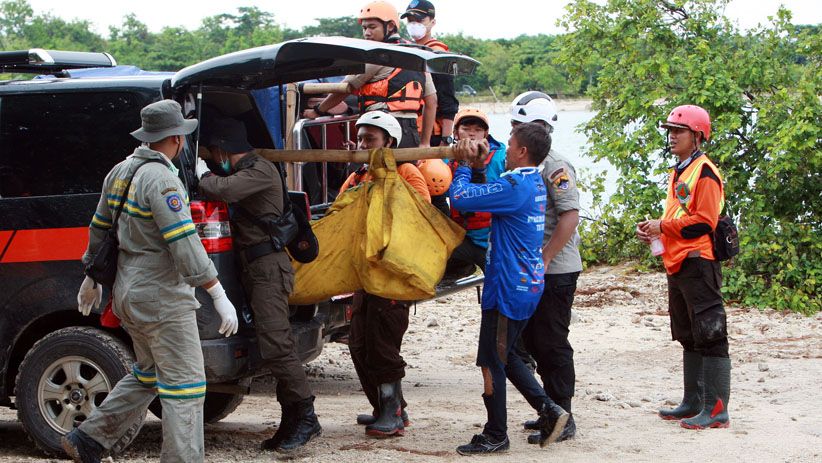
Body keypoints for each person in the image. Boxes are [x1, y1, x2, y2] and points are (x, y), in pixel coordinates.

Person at [65, 100, 239, 463]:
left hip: (129, 295)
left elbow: (99, 228)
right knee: (186, 387)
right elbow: (184, 241)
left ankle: (90, 439)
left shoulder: (120, 172)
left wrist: (91, 278)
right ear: (176, 138)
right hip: (161, 299)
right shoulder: (161, 179)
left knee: (149, 373)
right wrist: (217, 292)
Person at [196, 118, 321, 451]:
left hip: (268, 268)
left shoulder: (260, 171)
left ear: (223, 149)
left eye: (213, 154)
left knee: (278, 346)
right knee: (272, 345)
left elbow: (221, 190)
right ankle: (291, 420)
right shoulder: (249, 169)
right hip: (256, 268)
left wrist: (202, 173)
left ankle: (306, 416)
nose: (212, 160)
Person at [450, 123, 569, 455]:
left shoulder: (514, 185)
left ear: (521, 152)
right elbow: (483, 197)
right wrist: (476, 168)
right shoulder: (530, 182)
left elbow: (460, 199)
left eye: (510, 144)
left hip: (507, 286)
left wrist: (462, 165)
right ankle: (550, 410)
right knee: (508, 353)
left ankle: (496, 432)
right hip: (524, 282)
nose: (503, 150)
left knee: (491, 360)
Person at [636, 104, 731, 430]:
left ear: (697, 136)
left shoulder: (704, 172)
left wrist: (663, 227)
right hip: (677, 262)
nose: (672, 136)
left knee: (711, 334)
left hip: (698, 261)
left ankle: (716, 409)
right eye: (671, 130)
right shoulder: (680, 170)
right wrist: (654, 228)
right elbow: (679, 216)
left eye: (679, 131)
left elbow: (704, 223)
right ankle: (693, 401)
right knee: (689, 335)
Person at [340, 111, 430, 438]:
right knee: (359, 344)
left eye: (370, 139)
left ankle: (392, 413)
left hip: (394, 276)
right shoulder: (358, 176)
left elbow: (419, 214)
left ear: (389, 142)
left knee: (382, 345)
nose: (363, 144)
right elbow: (341, 212)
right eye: (361, 138)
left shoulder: (408, 172)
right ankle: (387, 408)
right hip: (365, 275)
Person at [510, 91, 582, 443]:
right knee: (533, 341)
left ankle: (563, 414)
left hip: (556, 269)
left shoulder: (555, 166)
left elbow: (569, 216)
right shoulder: (531, 165)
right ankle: (549, 410)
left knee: (551, 342)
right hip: (537, 267)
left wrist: (547, 256)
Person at [303, 0, 438, 148]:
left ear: (390, 26)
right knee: (406, 171)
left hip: (383, 131)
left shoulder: (379, 54)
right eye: (364, 28)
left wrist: (317, 111)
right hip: (411, 135)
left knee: (364, 171)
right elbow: (432, 101)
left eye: (372, 27)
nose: (367, 33)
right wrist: (425, 142)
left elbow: (343, 89)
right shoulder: (416, 54)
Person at [439, 108, 506, 278]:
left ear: (486, 134)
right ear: (455, 133)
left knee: (497, 285)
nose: (472, 135)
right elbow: (440, 193)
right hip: (461, 235)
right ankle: (461, 268)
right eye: (466, 129)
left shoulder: (501, 157)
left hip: (492, 237)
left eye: (478, 130)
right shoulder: (446, 159)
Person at [401, 0, 459, 147]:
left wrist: (445, 140)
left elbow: (448, 101)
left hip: (432, 135)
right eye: (410, 20)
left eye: (419, 20)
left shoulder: (438, 55)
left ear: (432, 22)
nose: (414, 24)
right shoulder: (406, 51)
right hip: (409, 130)